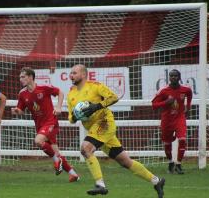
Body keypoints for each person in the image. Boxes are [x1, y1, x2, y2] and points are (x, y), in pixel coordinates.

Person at [67, 64, 165, 198]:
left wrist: (96, 107)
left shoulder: (95, 86)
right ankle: (157, 181)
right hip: (95, 130)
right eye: (70, 73)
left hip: (104, 122)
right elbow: (71, 118)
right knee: (125, 161)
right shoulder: (71, 94)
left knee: (86, 149)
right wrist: (75, 115)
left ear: (83, 74)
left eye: (74, 73)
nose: (71, 75)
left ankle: (100, 185)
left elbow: (113, 97)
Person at [11, 67, 79, 182]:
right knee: (56, 152)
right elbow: (21, 109)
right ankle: (73, 175)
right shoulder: (22, 94)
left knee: (38, 141)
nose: (20, 79)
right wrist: (17, 111)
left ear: (30, 77)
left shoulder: (43, 88)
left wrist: (58, 107)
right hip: (39, 125)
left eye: (23, 77)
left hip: (50, 121)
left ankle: (56, 161)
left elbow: (60, 92)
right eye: (20, 77)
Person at [152, 69, 192, 174]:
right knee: (167, 143)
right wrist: (166, 102)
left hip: (180, 118)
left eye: (175, 76)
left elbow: (190, 95)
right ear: (169, 78)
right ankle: (170, 162)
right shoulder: (163, 91)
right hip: (167, 120)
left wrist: (188, 107)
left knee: (182, 139)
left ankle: (178, 164)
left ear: (179, 77)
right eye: (171, 76)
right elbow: (154, 105)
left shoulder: (185, 89)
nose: (173, 77)